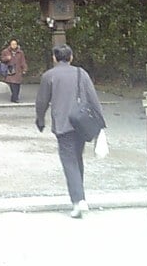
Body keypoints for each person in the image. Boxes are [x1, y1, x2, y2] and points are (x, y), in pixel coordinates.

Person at [34, 43, 105, 218]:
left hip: (63, 123)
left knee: (69, 161)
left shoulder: (49, 76)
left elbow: (42, 101)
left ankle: (78, 200)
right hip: (81, 123)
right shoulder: (82, 73)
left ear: (54, 58)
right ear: (71, 57)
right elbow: (93, 97)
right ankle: (80, 197)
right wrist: (100, 124)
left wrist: (40, 119)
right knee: (77, 158)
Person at [0, 37, 28, 103]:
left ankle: (15, 97)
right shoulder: (5, 51)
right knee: (12, 84)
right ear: (10, 44)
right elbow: (2, 59)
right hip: (10, 70)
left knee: (17, 84)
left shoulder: (20, 52)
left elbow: (23, 61)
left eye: (15, 44)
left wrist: (24, 68)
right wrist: (7, 58)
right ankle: (15, 98)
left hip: (18, 70)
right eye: (12, 44)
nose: (14, 45)